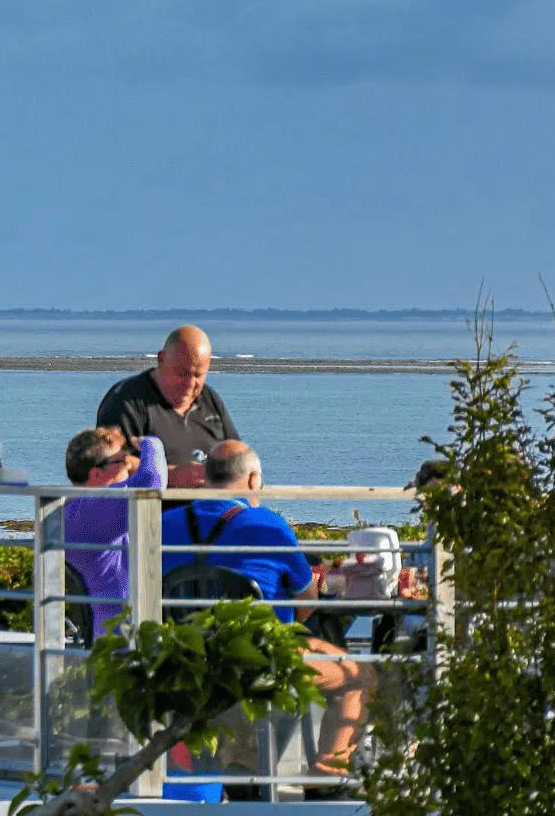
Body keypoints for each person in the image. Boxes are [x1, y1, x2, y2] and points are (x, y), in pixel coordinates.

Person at [166, 441, 370, 776]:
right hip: (263, 659)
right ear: (252, 479)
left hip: (188, 656)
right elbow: (307, 604)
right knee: (358, 676)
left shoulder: (165, 524)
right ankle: (326, 777)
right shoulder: (266, 524)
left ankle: (241, 766)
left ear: (205, 477)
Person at [96, 326, 238, 487]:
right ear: (161, 359)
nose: (189, 384)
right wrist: (171, 475)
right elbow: (110, 463)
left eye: (198, 375)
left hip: (214, 507)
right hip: (150, 508)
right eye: (182, 373)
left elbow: (236, 453)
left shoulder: (210, 399)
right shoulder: (125, 400)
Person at [61, 429, 166, 642]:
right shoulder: (94, 507)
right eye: (121, 461)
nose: (129, 465)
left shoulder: (73, 508)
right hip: (120, 636)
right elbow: (151, 481)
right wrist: (149, 442)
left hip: (100, 631)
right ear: (97, 474)